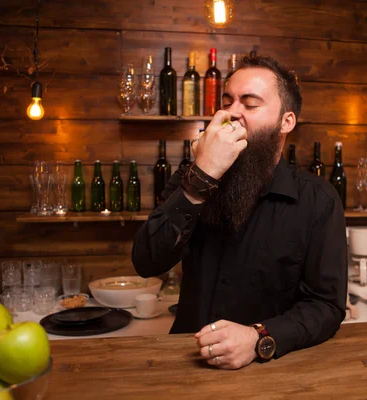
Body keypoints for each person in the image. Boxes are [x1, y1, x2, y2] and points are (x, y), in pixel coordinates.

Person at [132, 55, 347, 370]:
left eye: (250, 103)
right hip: (186, 363)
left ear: (286, 121)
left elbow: (326, 306)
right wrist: (202, 176)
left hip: (272, 370)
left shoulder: (318, 201)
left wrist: (259, 337)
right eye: (227, 101)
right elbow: (146, 261)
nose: (230, 112)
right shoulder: (192, 178)